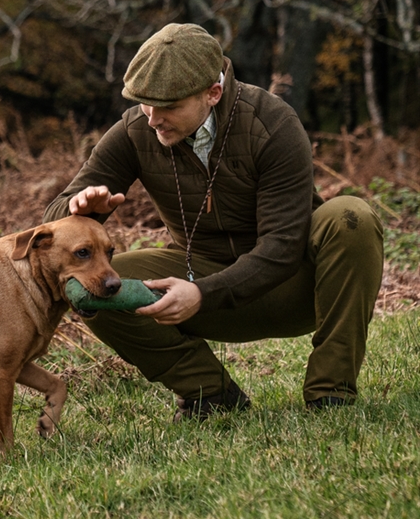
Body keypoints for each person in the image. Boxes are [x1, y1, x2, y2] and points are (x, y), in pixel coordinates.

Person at [43, 23, 384, 420]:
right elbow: (51, 224)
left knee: (350, 216)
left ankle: (331, 395)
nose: (153, 118)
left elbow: (282, 246)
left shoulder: (271, 123)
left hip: (294, 288)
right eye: (145, 104)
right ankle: (211, 396)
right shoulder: (138, 129)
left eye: (167, 105)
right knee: (92, 283)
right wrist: (82, 209)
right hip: (197, 275)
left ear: (213, 92)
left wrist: (202, 293)